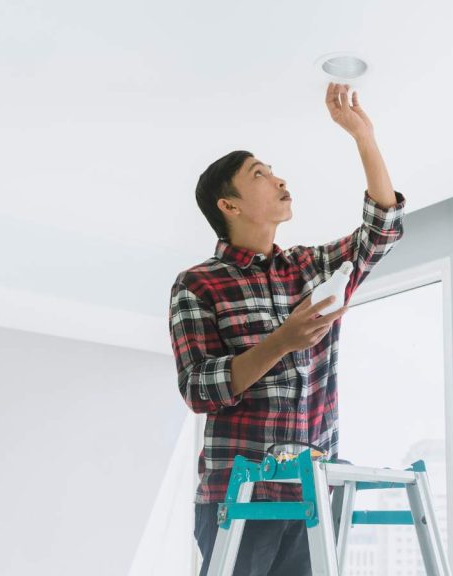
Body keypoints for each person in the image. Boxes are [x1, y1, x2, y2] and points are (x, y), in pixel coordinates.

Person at [168, 82, 406, 576]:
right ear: (228, 206)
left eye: (274, 171)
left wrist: (363, 136)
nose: (278, 179)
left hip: (313, 493)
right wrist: (281, 342)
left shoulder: (309, 267)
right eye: (259, 174)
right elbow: (199, 388)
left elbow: (381, 230)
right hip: (238, 497)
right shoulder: (197, 285)